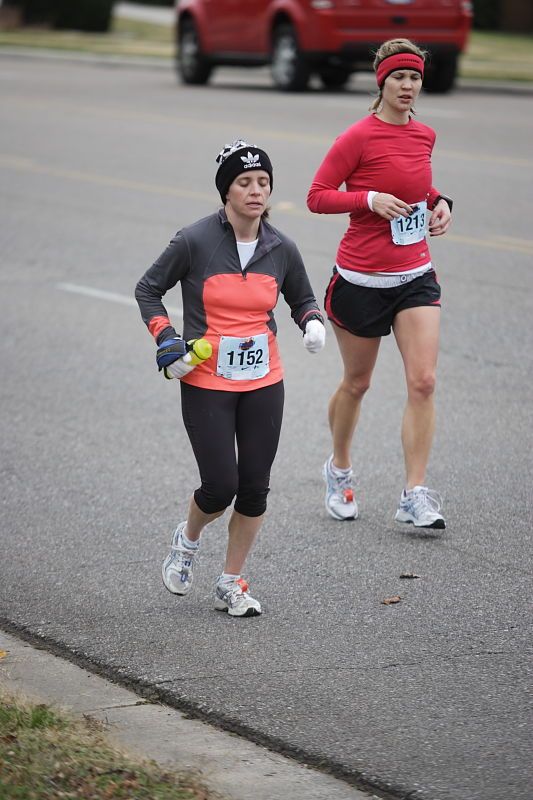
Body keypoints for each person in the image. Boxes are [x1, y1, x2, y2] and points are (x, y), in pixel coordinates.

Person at [135, 140, 326, 617]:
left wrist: (312, 322)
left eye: (263, 182)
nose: (256, 190)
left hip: (264, 381)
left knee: (255, 487)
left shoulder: (281, 247)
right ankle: (187, 540)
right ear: (226, 191)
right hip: (206, 381)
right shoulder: (194, 241)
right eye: (245, 182)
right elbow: (148, 289)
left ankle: (230, 581)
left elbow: (302, 297)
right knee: (221, 486)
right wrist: (167, 340)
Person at [307, 38, 452, 529]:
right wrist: (367, 200)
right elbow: (317, 196)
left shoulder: (425, 135)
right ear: (382, 82)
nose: (408, 86)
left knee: (424, 381)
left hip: (415, 274)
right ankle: (339, 469)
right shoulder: (358, 137)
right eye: (399, 77)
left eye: (415, 77)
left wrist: (439, 202)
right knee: (358, 382)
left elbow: (418, 185)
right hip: (361, 279)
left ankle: (415, 493)